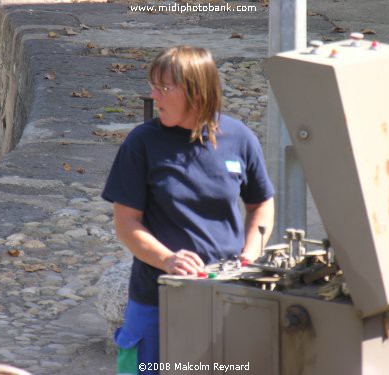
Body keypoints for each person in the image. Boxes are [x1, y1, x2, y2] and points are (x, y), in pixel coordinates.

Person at [102, 45, 275, 375]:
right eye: (153, 86)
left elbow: (261, 204)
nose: (154, 96)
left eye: (164, 88)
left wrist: (249, 258)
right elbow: (126, 224)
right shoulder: (141, 143)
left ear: (196, 91)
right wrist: (168, 259)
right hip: (156, 300)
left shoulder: (240, 139)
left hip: (225, 295)